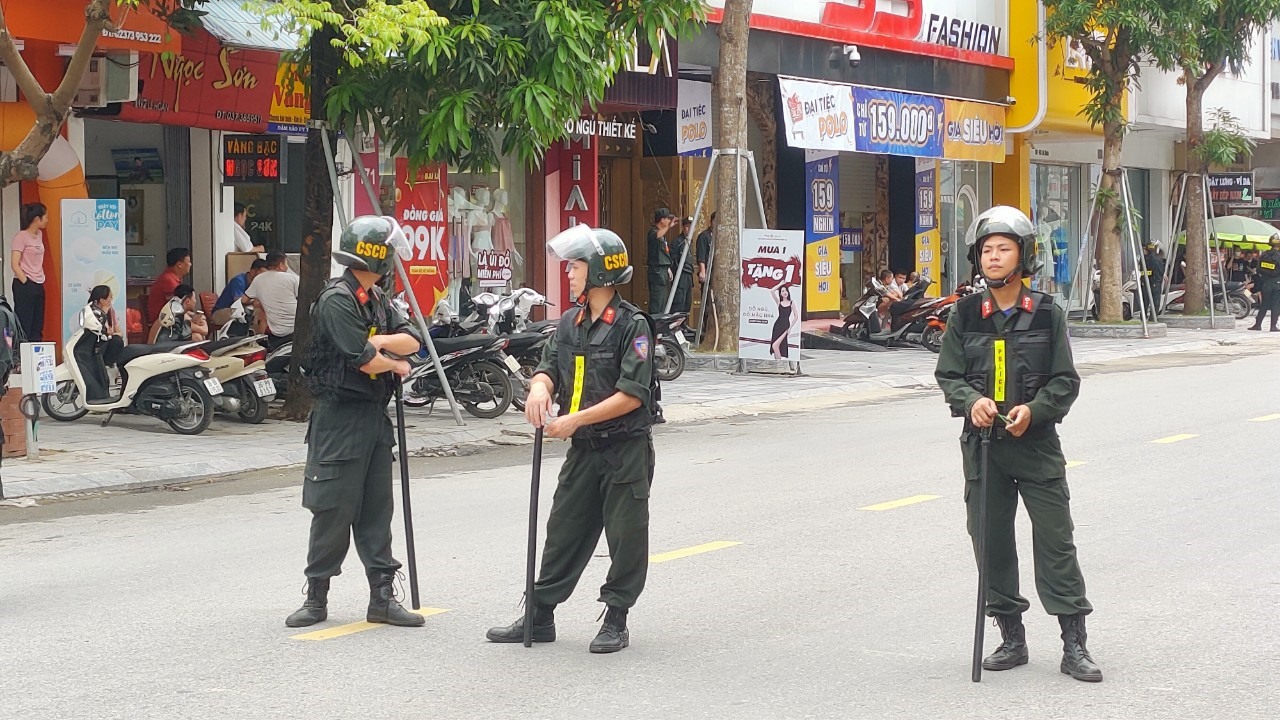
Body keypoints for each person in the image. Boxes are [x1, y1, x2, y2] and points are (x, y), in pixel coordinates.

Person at [934, 206, 1101, 683]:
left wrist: (1037, 411)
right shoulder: (964, 314)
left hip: (1037, 446)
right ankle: (1011, 636)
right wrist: (971, 401)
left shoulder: (1047, 312)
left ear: (1023, 256)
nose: (993, 256)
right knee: (991, 542)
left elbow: (1066, 381)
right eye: (986, 250)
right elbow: (948, 375)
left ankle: (1074, 643)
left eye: (1003, 248)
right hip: (984, 447)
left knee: (1056, 543)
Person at [486, 224, 657, 654]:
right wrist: (540, 387)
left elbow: (633, 396)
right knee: (563, 531)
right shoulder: (570, 322)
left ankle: (616, 618)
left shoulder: (633, 326)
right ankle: (540, 615)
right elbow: (548, 365)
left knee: (625, 537)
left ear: (599, 272)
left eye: (575, 266)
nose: (568, 273)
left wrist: (574, 420)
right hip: (584, 450)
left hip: (624, 450)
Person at [285, 215, 425, 630]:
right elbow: (361, 360)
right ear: (375, 255)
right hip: (339, 417)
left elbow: (413, 339)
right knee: (332, 507)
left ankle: (382, 596)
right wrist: (392, 363)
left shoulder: (376, 298)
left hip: (373, 419)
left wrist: (381, 343)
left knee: (377, 507)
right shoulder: (337, 299)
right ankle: (317, 596)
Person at [77, 286, 125, 401]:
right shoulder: (91, 313)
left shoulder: (111, 312)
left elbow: (119, 332)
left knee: (117, 341)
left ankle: (108, 364)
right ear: (102, 300)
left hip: (107, 343)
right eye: (110, 297)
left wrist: (111, 334)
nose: (111, 300)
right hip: (94, 345)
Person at [11, 202, 49, 343]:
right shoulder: (21, 237)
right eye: (45, 217)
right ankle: (20, 358)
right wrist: (26, 282)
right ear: (36, 219)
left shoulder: (39, 235)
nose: (47, 220)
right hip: (25, 284)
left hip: (39, 282)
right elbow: (14, 264)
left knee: (37, 324)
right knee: (24, 323)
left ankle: (36, 356)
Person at [245, 251, 299, 349]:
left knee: (261, 310)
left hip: (275, 333)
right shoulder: (293, 278)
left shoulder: (258, 279)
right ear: (281, 265)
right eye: (286, 264)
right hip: (296, 329)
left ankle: (259, 342)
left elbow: (244, 300)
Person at [212, 259, 269, 328]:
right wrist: (254, 300)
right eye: (261, 275)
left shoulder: (258, 284)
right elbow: (238, 300)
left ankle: (257, 337)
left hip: (239, 311)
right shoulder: (239, 280)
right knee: (246, 314)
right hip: (221, 312)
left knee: (261, 313)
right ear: (252, 272)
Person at [148, 248, 191, 322]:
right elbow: (175, 308)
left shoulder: (172, 277)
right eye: (189, 262)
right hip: (162, 322)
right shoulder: (169, 280)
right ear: (179, 264)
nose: (190, 264)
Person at [1249, 234, 1280, 331]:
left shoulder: (1264, 255)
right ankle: (1273, 326)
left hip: (1266, 284)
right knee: (1276, 305)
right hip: (1277, 283)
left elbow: (1258, 270)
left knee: (1264, 305)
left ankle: (1258, 325)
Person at [647, 208, 675, 313]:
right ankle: (655, 326)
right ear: (662, 220)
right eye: (668, 219)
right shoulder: (653, 232)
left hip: (663, 271)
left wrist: (668, 268)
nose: (669, 221)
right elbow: (657, 235)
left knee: (663, 303)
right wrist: (668, 226)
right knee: (657, 303)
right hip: (656, 272)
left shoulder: (663, 236)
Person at [670, 217, 695, 314]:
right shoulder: (678, 242)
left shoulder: (689, 241)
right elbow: (672, 259)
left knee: (687, 302)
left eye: (691, 227)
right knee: (679, 302)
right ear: (683, 228)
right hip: (680, 276)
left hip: (688, 274)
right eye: (687, 227)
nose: (689, 230)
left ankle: (683, 324)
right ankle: (676, 326)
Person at [770, 284, 799, 359]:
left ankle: (779, 365)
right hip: (777, 326)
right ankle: (777, 365)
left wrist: (790, 328)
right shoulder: (779, 302)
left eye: (786, 290)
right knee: (776, 347)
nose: (785, 292)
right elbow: (772, 291)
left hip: (785, 326)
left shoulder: (791, 302)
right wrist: (781, 284)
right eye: (782, 291)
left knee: (775, 345)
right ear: (780, 293)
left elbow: (796, 316)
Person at [1141, 242, 1166, 319]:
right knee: (1155, 301)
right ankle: (1153, 317)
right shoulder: (1157, 259)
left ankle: (1143, 317)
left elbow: (1142, 271)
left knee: (1145, 301)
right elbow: (1161, 271)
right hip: (1155, 282)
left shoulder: (1143, 259)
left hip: (1145, 282)